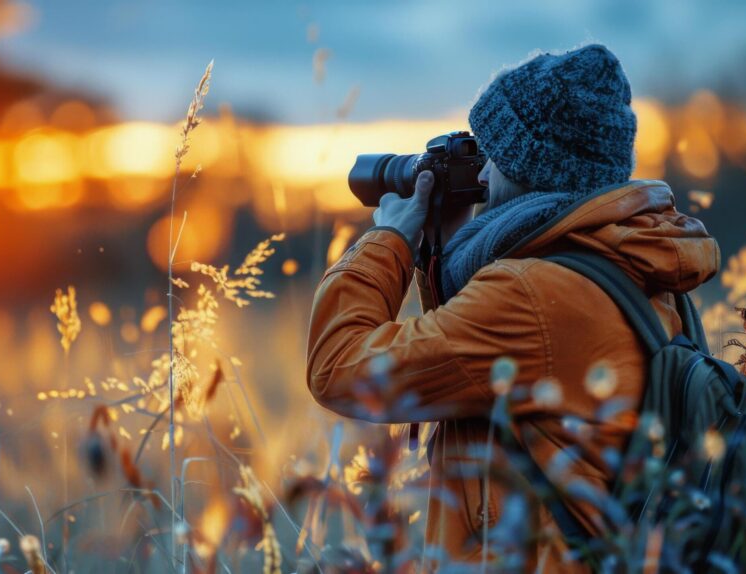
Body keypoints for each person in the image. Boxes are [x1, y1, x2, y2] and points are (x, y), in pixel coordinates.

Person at [305, 44, 720, 570]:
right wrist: (445, 251)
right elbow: (475, 370)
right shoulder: (622, 265)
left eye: (493, 156)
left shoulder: (531, 295)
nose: (480, 179)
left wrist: (389, 238)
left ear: (532, 166)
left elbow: (340, 369)